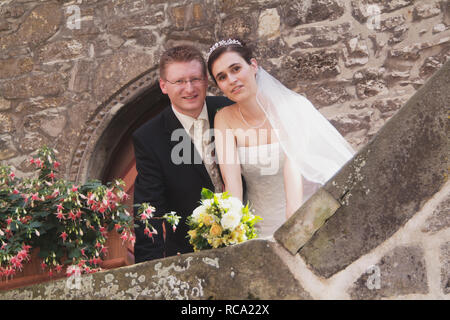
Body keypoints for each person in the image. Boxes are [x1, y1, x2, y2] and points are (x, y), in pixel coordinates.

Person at [208, 39, 355, 238]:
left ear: (253, 66)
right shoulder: (223, 118)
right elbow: (232, 182)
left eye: (236, 68)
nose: (232, 79)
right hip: (258, 223)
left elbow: (292, 169)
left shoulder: (291, 107)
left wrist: (292, 231)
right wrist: (233, 229)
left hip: (302, 215)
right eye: (222, 77)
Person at [133, 45, 233, 263]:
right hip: (190, 256)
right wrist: (150, 273)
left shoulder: (231, 109)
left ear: (206, 80)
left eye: (195, 79)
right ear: (163, 86)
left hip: (250, 238)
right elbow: (149, 211)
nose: (189, 88)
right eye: (179, 81)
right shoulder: (148, 138)